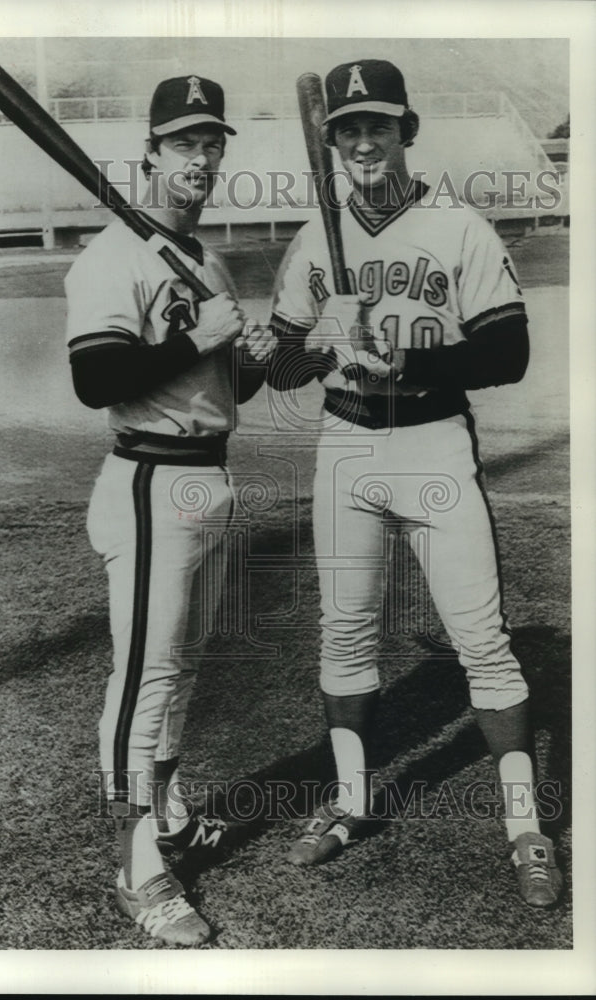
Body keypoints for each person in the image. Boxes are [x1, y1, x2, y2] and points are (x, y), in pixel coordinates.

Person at [266, 58, 562, 908]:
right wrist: (321, 339)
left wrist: (408, 355)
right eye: (348, 129)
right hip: (344, 444)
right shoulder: (308, 240)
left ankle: (522, 827)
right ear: (332, 141)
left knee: (480, 637)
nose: (363, 141)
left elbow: (508, 353)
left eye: (378, 126)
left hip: (431, 441)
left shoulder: (457, 226)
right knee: (345, 631)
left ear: (405, 132)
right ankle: (352, 803)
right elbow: (283, 365)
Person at [65, 75, 274, 945]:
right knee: (146, 676)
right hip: (149, 484)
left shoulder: (203, 259)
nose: (201, 157)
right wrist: (202, 336)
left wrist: (255, 358)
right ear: (149, 154)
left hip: (205, 476)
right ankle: (137, 867)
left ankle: (172, 817)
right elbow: (95, 380)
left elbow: (221, 391)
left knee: (182, 670)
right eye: (183, 142)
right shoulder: (112, 257)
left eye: (211, 142)